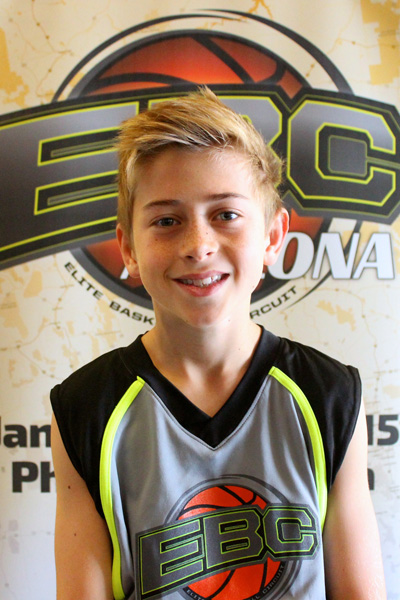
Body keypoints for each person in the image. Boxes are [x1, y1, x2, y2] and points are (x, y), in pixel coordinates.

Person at [51, 87, 386, 600]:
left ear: (272, 236)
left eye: (225, 215)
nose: (198, 246)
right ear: (129, 248)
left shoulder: (329, 393)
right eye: (167, 221)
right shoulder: (85, 406)